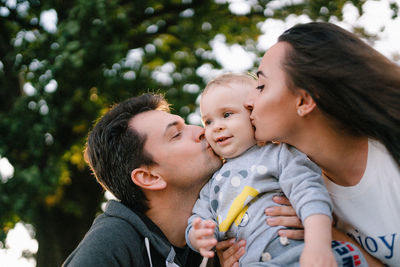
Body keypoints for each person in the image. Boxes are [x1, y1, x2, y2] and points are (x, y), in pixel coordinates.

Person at [245, 22, 400, 267]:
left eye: (262, 86)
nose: (248, 102)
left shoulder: (391, 161)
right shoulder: (296, 194)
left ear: (304, 101)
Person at [185, 73, 367, 266]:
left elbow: (310, 195)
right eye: (208, 122)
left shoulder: (278, 154)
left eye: (227, 115)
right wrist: (198, 236)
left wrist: (318, 246)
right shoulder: (212, 183)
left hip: (298, 254)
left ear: (253, 114)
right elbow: (199, 218)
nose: (216, 127)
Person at [62, 93, 223, 266]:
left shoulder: (218, 234)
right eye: (176, 134)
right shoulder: (108, 247)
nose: (201, 131)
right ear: (149, 177)